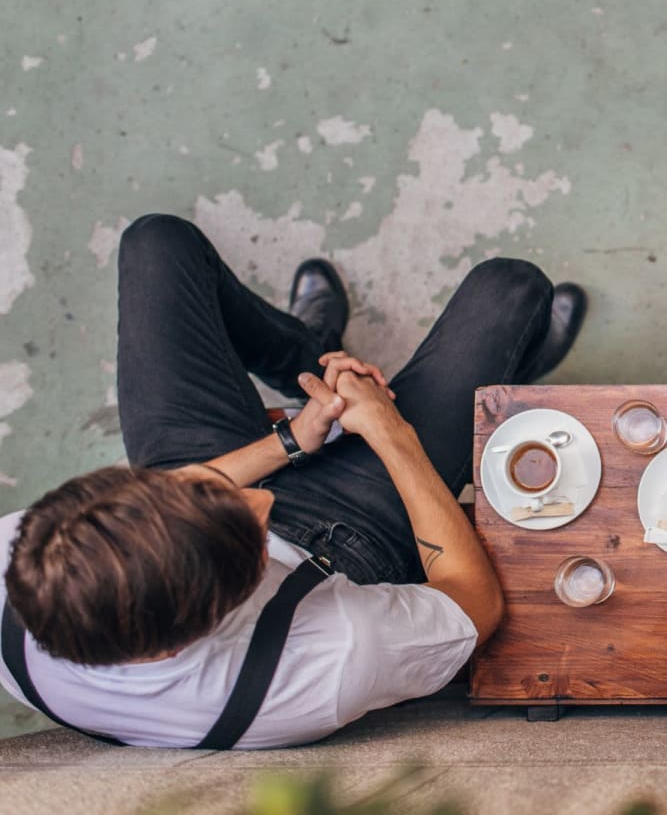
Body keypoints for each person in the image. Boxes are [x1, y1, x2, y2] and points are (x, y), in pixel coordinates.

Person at [0, 214, 586, 749]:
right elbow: (472, 604)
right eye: (248, 539)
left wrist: (294, 438)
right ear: (203, 627)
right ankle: (507, 377)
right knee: (511, 289)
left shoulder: (23, 563)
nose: (260, 500)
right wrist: (390, 432)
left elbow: (179, 490)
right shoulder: (326, 661)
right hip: (348, 537)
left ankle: (308, 352)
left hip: (204, 463)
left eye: (207, 504)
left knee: (157, 242)